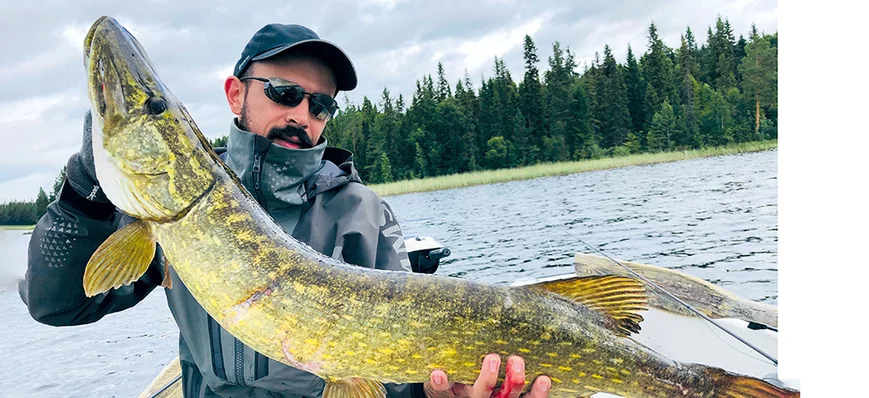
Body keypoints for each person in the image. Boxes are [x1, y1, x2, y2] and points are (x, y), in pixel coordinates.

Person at [19, 23, 552, 398]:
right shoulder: (167, 218)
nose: (302, 114)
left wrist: (444, 395)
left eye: (320, 104)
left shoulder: (360, 212)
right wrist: (83, 193)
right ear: (235, 95)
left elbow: (401, 375)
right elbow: (55, 305)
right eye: (283, 92)